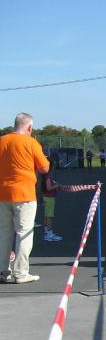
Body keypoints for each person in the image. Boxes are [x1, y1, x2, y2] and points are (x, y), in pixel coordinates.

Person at [0, 113, 50, 284]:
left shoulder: (2, 141)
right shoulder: (31, 142)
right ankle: (21, 273)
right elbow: (44, 168)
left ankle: (3, 271)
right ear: (29, 127)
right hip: (25, 194)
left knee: (4, 233)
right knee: (24, 233)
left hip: (2, 194)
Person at [40, 164, 63, 242]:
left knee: (46, 216)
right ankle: (49, 234)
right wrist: (57, 185)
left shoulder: (44, 177)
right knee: (49, 216)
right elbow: (49, 188)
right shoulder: (48, 178)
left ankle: (47, 233)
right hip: (49, 199)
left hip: (46, 198)